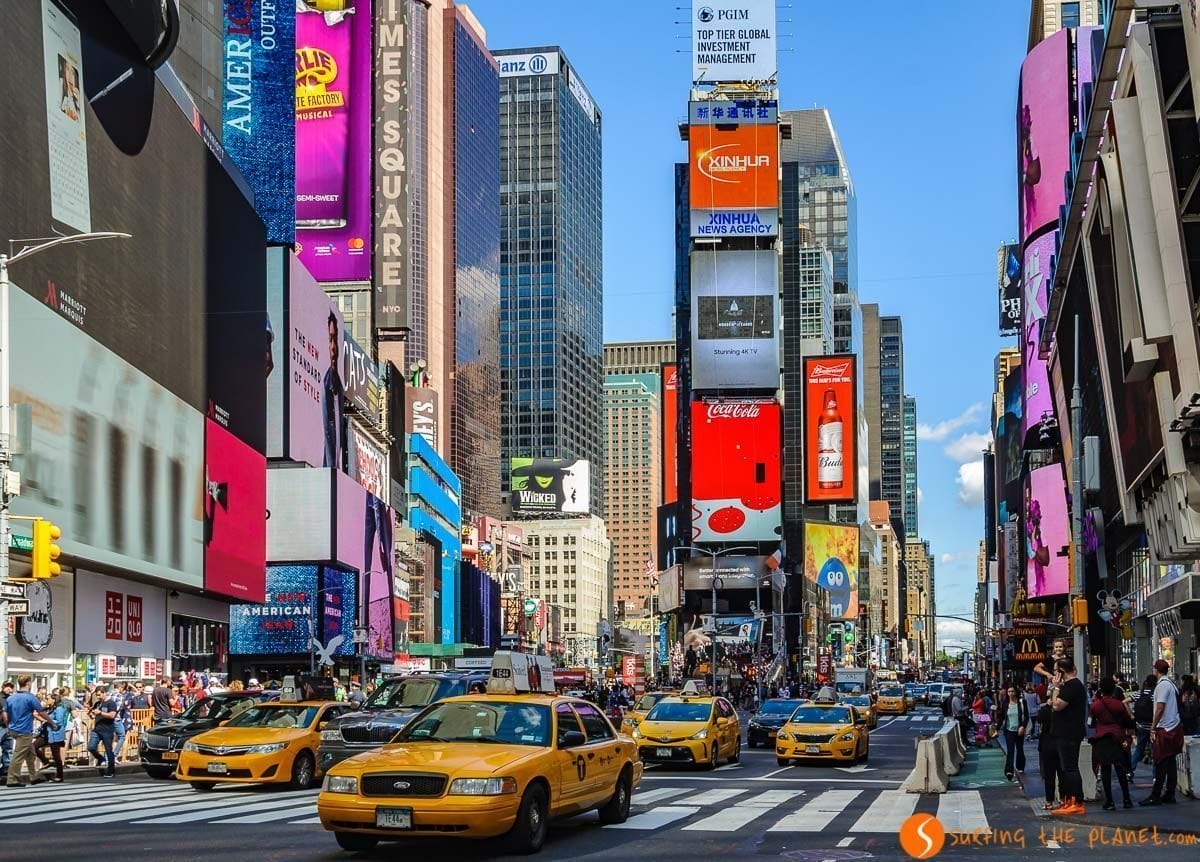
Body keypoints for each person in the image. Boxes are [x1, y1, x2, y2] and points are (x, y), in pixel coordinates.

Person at [1141, 658, 1184, 806]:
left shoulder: (1162, 686)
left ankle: (1156, 794)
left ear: (1156, 670)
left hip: (1165, 728)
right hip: (1174, 726)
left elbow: (1160, 708)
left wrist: (1153, 727)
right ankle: (1169, 793)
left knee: (1160, 761)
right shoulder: (1172, 684)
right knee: (1170, 761)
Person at [1048, 657, 1088, 815]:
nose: (1054, 674)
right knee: (1067, 768)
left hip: (1069, 733)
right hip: (1066, 733)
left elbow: (1057, 705)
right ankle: (1070, 800)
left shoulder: (1072, 686)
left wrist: (1055, 688)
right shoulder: (1072, 686)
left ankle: (1077, 801)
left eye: (1056, 671)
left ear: (1061, 672)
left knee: (1070, 767)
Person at [3, 675, 57, 787]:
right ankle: (12, 779)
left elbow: (5, 713)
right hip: (24, 730)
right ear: (28, 684)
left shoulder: (11, 698)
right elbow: (41, 712)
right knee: (18, 755)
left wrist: (8, 725)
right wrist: (52, 722)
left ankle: (34, 776)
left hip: (13, 729)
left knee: (31, 753)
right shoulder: (30, 697)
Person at [1090, 677, 1133, 810]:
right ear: (1113, 689)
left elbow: (1090, 723)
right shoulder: (1119, 704)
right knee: (1120, 768)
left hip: (1102, 739)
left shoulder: (1095, 705)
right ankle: (1127, 800)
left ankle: (1110, 801)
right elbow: (1127, 721)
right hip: (1117, 738)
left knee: (1105, 769)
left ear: (1101, 689)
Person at [322, 311, 346, 471]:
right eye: (329, 340)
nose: (333, 348)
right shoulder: (324, 388)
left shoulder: (339, 386)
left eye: (335, 340)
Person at [997, 684, 1029, 780]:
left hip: (1019, 730)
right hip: (1008, 731)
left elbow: (1026, 716)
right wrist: (997, 729)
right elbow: (1001, 718)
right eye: (1009, 691)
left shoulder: (1022, 702)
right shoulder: (1005, 704)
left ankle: (1020, 766)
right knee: (1010, 751)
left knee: (1020, 749)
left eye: (1012, 691)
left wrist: (1023, 726)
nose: (1011, 693)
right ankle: (1009, 771)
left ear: (1016, 692)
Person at [88, 684, 119, 778]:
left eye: (99, 694)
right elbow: (93, 713)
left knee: (108, 750)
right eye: (96, 695)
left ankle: (111, 770)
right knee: (91, 747)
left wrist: (101, 713)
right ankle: (100, 758)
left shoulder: (111, 703)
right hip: (97, 729)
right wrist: (91, 714)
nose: (98, 697)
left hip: (107, 729)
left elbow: (112, 715)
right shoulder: (98, 703)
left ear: (104, 693)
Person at [1130, 673, 1156, 779]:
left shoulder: (1139, 693)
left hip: (1140, 726)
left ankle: (1130, 770)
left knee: (1139, 749)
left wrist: (1131, 715)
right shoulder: (1156, 694)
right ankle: (1155, 776)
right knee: (1155, 751)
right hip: (1153, 727)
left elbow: (1124, 702)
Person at [1036, 701, 1058, 809]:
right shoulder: (1063, 710)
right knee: (1061, 773)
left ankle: (1050, 801)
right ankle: (1063, 800)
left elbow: (1039, 719)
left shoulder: (1045, 710)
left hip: (1048, 743)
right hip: (1059, 742)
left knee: (1049, 774)